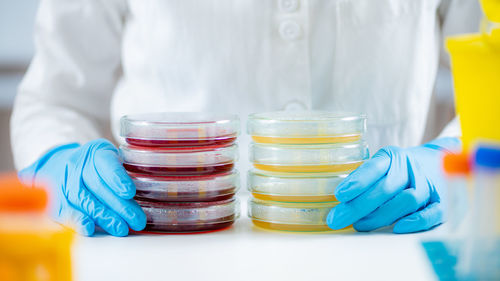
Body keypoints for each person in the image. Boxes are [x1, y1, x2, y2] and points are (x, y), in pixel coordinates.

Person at [11, 0, 481, 236]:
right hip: (162, 242)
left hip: (382, 237)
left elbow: (491, 71)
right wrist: (61, 160)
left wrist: (453, 161)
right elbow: (56, 99)